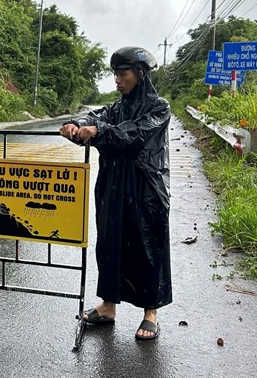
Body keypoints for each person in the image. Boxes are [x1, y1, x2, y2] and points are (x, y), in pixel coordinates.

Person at [59, 46, 171, 340]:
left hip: (146, 187)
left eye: (123, 75)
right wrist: (78, 125)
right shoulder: (117, 107)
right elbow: (96, 116)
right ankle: (108, 306)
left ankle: (151, 312)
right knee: (109, 244)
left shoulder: (159, 107)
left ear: (140, 74)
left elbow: (134, 134)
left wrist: (98, 132)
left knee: (148, 246)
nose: (118, 81)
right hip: (113, 186)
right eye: (116, 75)